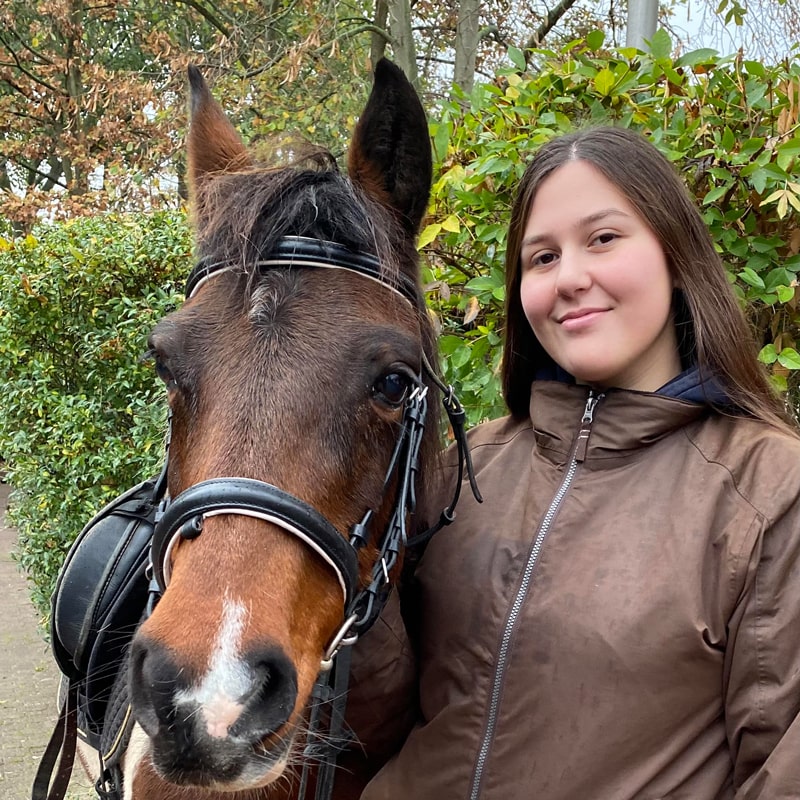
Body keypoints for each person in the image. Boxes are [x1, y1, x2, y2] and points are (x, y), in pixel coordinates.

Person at [350, 126, 800, 799]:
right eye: (542, 257)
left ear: (675, 255)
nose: (571, 278)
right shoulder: (463, 473)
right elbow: (370, 709)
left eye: (603, 239)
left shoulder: (767, 491)